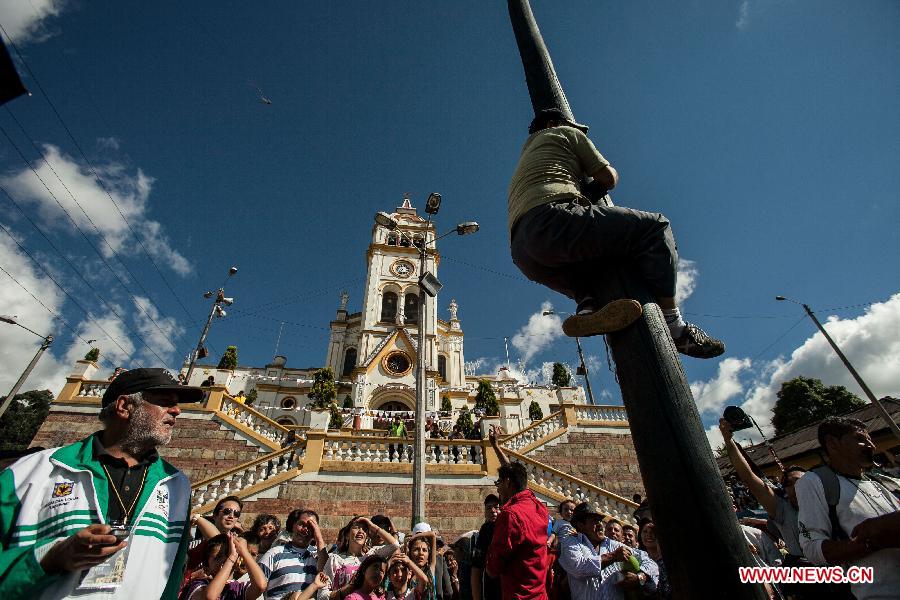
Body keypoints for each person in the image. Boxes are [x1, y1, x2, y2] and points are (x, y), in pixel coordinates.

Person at [508, 108, 724, 358]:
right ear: (553, 123)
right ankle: (674, 325)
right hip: (553, 221)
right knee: (656, 227)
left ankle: (587, 309)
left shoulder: (525, 157)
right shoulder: (564, 133)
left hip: (523, 252)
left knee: (585, 279)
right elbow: (608, 178)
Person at [0, 368, 202, 598]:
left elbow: (172, 578)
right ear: (124, 406)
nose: (176, 410)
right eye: (165, 402)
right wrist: (50, 558)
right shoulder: (34, 472)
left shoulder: (176, 486)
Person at [795, 417, 900, 600]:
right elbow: (812, 549)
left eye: (870, 440)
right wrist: (872, 542)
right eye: (860, 439)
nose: (871, 446)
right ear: (832, 443)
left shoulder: (885, 483)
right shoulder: (815, 481)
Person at [558, 503, 657, 600]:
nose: (600, 525)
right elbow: (579, 568)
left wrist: (640, 577)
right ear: (581, 525)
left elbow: (649, 561)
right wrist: (612, 556)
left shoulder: (613, 545)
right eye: (594, 521)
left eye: (600, 521)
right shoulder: (570, 543)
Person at [486, 462, 550, 600]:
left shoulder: (510, 515)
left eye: (499, 483)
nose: (498, 489)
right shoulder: (539, 507)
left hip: (519, 594)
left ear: (507, 482)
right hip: (539, 593)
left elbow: (494, 566)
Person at [317, 516, 399, 600]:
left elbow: (394, 545)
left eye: (365, 529)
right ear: (347, 535)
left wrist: (373, 526)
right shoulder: (335, 559)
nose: (360, 531)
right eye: (356, 527)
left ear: (367, 536)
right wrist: (345, 590)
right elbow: (322, 596)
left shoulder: (371, 555)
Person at [258, 509, 328, 600]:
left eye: (310, 527)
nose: (305, 529)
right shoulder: (274, 553)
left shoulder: (318, 556)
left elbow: (326, 573)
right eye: (301, 524)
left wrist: (319, 539)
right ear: (293, 526)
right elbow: (256, 586)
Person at [180, 533, 267, 600]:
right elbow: (210, 597)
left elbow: (261, 586)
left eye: (227, 554)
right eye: (218, 557)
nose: (224, 560)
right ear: (206, 568)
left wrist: (244, 551)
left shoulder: (239, 588)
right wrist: (231, 558)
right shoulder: (198, 585)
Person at [470, 494, 502, 600]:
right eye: (489, 508)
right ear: (484, 513)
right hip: (491, 589)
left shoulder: (506, 527)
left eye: (496, 507)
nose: (493, 511)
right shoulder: (485, 530)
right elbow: (476, 567)